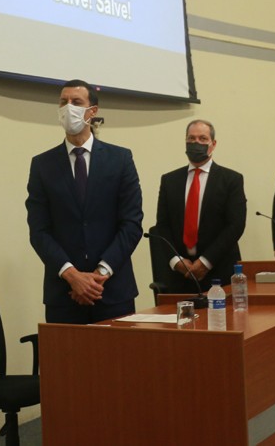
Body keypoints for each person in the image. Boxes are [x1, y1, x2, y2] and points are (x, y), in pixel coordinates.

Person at [25, 79, 143, 324]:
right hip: (64, 294)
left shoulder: (120, 159)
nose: (68, 107)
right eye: (63, 102)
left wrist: (99, 275)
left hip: (113, 292)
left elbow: (131, 224)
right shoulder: (42, 165)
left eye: (76, 102)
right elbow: (39, 231)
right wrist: (72, 276)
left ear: (92, 111)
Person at [152, 120, 247, 293]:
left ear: (213, 144)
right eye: (191, 138)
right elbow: (162, 225)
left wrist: (205, 262)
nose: (196, 143)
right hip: (180, 275)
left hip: (219, 271)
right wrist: (177, 261)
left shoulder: (231, 180)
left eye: (203, 139)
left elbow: (235, 225)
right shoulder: (169, 180)